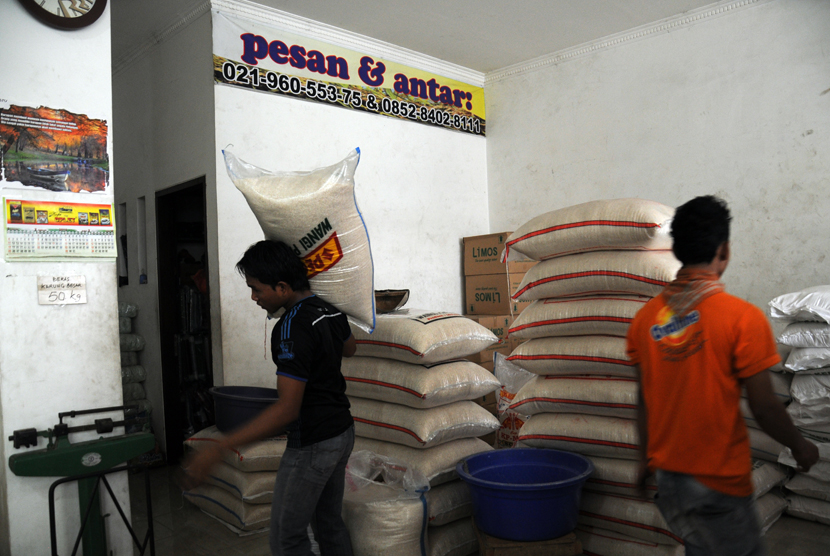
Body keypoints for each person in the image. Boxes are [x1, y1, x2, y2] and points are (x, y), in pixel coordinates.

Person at [626, 195, 819, 556]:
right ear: (724, 250)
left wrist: (643, 459)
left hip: (670, 480)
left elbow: (643, 400)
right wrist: (799, 445)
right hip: (719, 483)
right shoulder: (741, 318)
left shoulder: (644, 320)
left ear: (678, 249)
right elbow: (763, 407)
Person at [183, 239, 357, 556]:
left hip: (314, 442)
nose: (253, 297)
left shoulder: (290, 326)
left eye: (256, 289)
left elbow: (287, 409)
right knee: (329, 524)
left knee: (286, 538)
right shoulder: (329, 310)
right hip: (342, 431)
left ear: (281, 287)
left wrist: (219, 447)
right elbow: (350, 348)